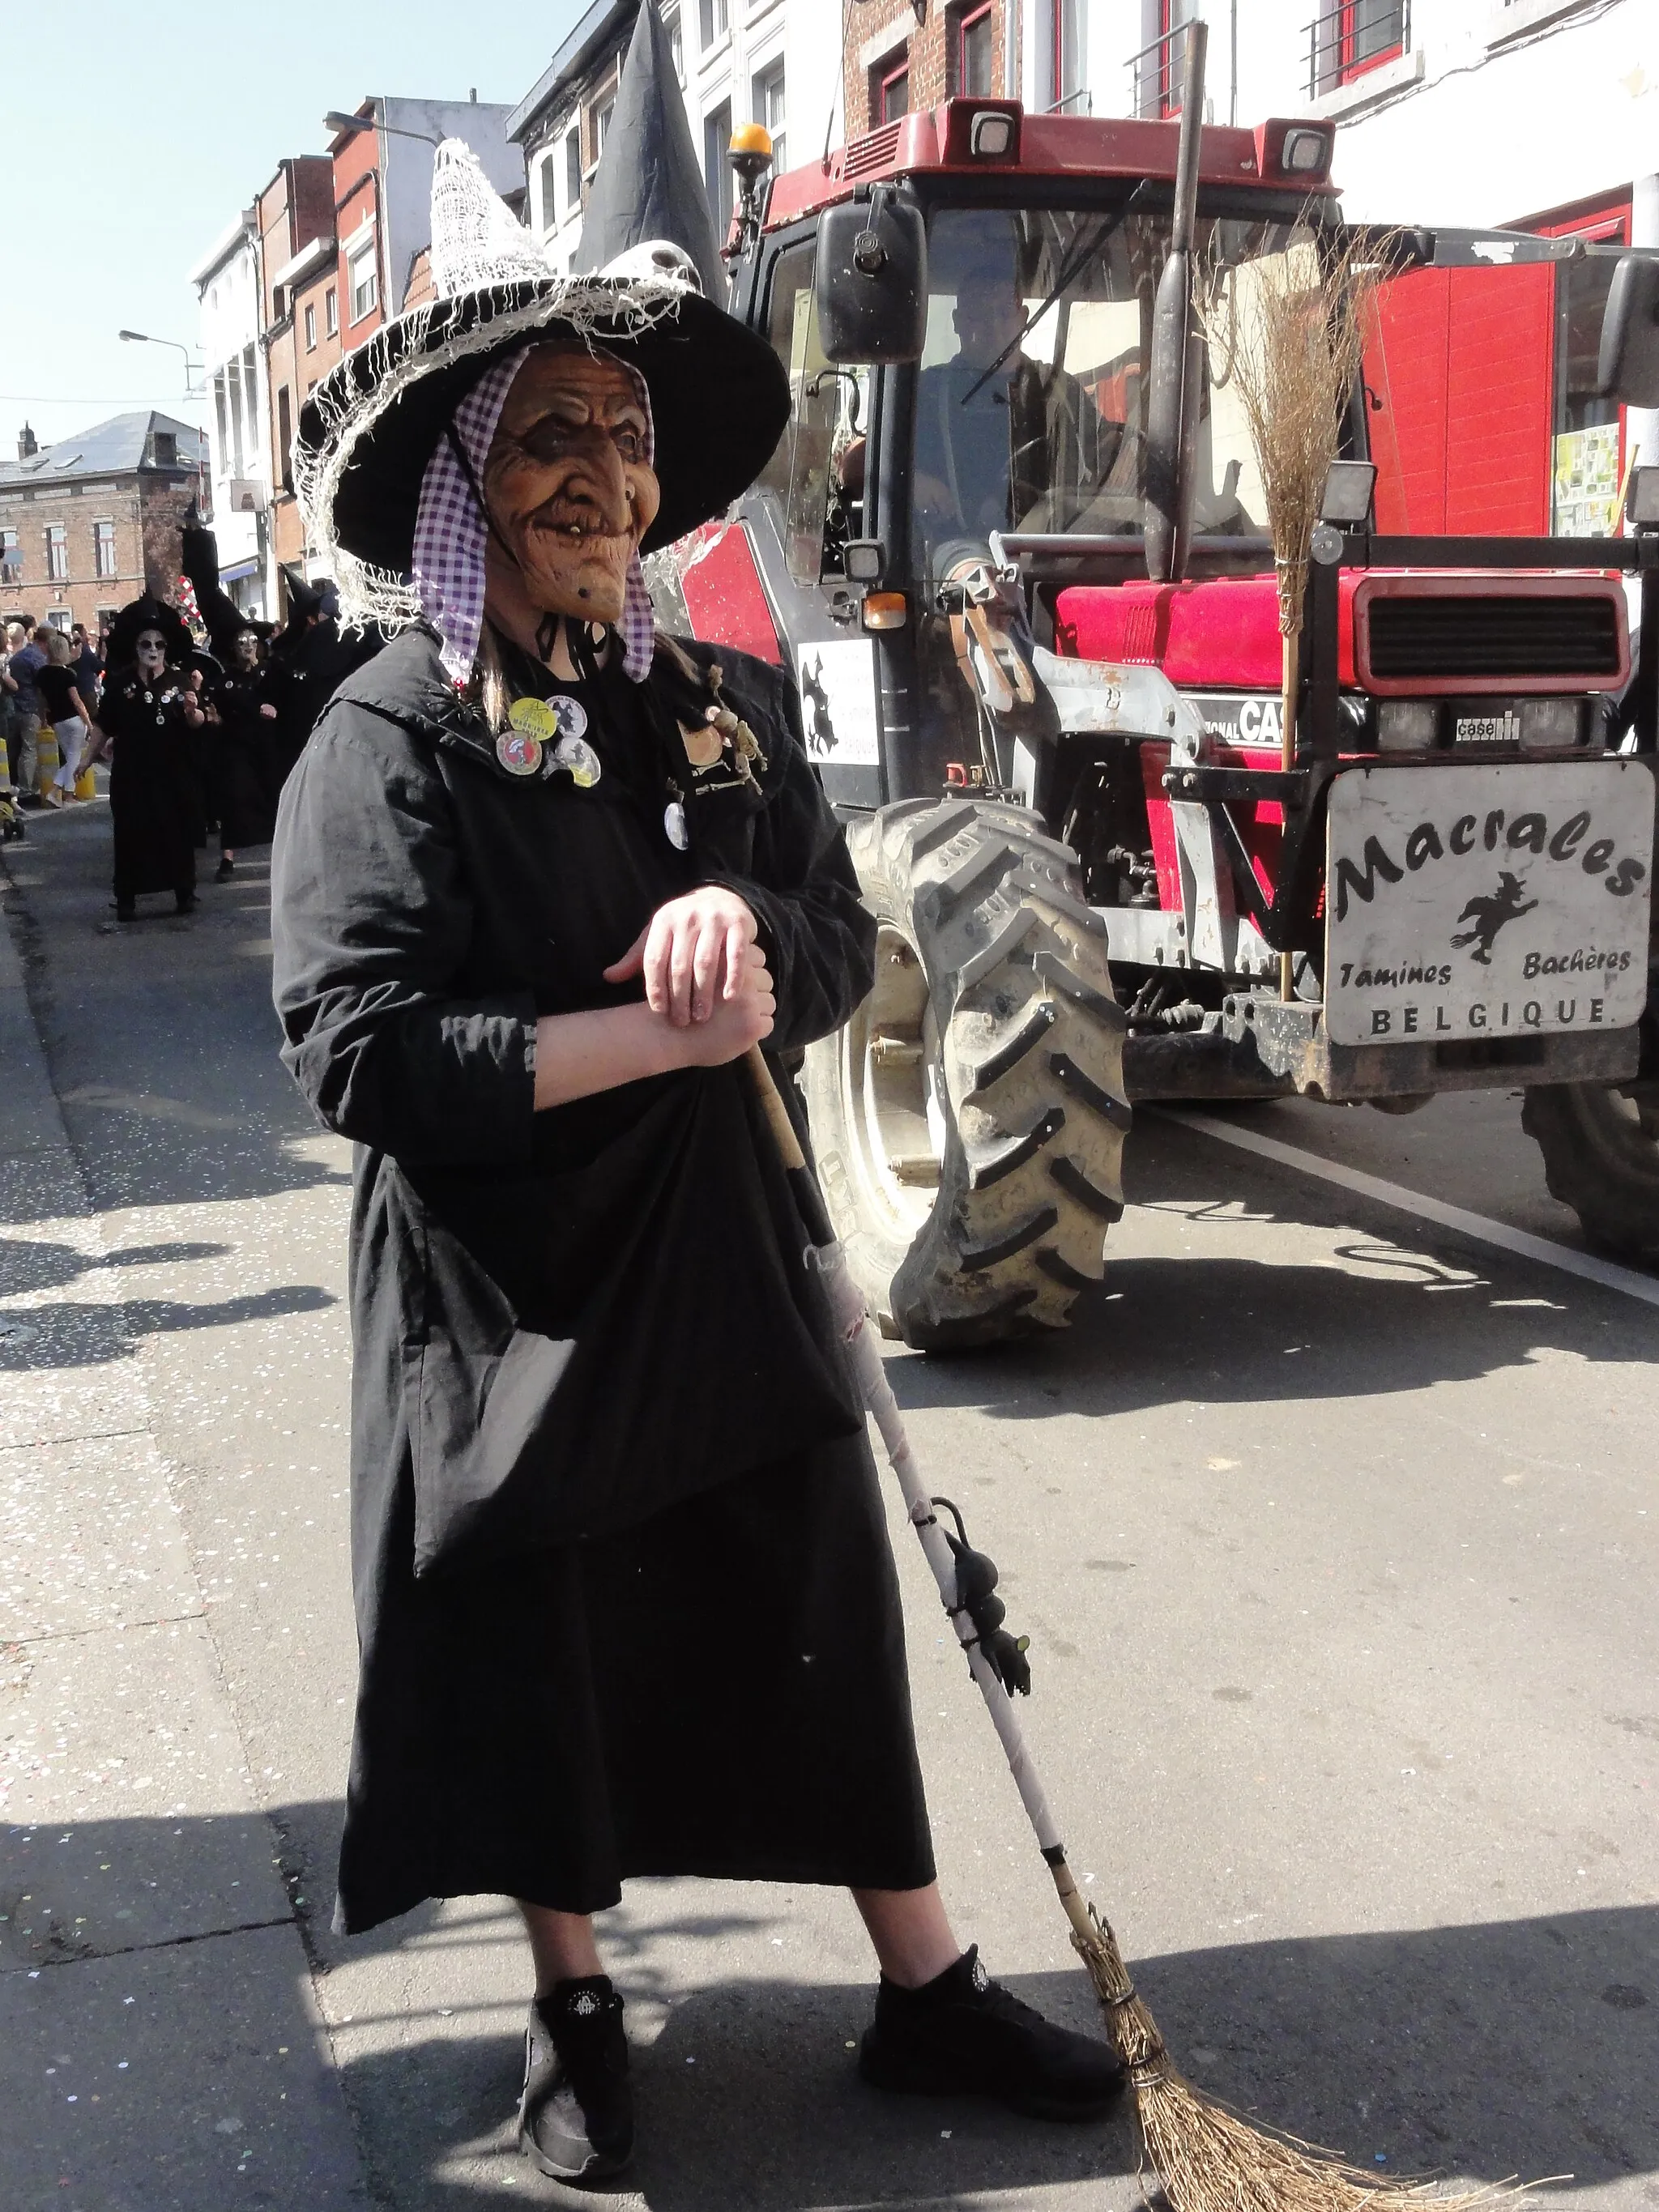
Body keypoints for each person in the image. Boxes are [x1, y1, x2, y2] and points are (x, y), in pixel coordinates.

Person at [270, 141, 1122, 2193]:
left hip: (729, 1251)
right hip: (516, 1294)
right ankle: (574, 2004)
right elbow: (360, 1053)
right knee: (543, 1644)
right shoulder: (389, 742)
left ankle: (923, 1984)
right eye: (550, 434)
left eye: (627, 437)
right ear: (471, 479)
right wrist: (637, 1027)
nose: (601, 472)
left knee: (814, 1596)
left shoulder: (721, 709)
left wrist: (754, 958)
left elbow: (832, 943)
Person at [913, 224, 1122, 543]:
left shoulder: (1059, 390)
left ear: (1023, 318)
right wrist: (914, 481)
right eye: (978, 316)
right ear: (956, 323)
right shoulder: (928, 392)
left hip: (1053, 553)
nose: (992, 327)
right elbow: (865, 466)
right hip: (951, 561)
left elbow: (1109, 454)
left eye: (1002, 314)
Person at [83, 597, 205, 920]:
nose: (153, 649)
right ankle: (126, 898)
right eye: (146, 643)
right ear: (136, 646)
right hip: (133, 773)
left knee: (176, 832)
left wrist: (194, 712)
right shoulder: (120, 683)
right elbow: (103, 726)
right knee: (131, 833)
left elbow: (197, 722)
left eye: (159, 644)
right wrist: (84, 761)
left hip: (172, 771)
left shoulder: (179, 681)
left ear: (167, 648)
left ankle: (184, 892)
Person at [34, 626, 93, 806]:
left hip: (56, 720)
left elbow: (41, 700)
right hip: (73, 719)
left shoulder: (42, 673)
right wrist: (89, 723)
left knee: (70, 757)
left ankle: (64, 794)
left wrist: (44, 719)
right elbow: (76, 701)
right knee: (74, 758)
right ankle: (63, 794)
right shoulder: (68, 674)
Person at [6, 620, 46, 804]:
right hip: (31, 708)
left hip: (13, 708)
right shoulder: (35, 657)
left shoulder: (15, 658)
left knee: (13, 749)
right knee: (29, 749)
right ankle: (26, 788)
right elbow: (42, 685)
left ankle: (13, 784)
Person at [70, 622, 103, 714]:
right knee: (93, 716)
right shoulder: (85, 651)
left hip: (74, 692)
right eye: (85, 634)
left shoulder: (71, 650)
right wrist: (103, 657)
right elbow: (99, 668)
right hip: (87, 691)